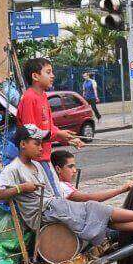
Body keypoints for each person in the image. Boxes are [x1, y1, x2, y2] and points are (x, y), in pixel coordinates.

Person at [0, 124, 133, 247]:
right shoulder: (13, 169)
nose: (41, 148)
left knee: (96, 216)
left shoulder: (37, 165)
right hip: (42, 213)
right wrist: (22, 188)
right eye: (37, 144)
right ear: (23, 144)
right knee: (92, 208)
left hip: (53, 206)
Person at [17, 57, 84, 196]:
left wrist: (68, 139)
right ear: (35, 76)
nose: (52, 75)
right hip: (37, 160)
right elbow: (30, 133)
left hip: (45, 157)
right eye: (48, 72)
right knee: (55, 198)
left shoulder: (43, 97)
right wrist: (58, 135)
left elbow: (50, 127)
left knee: (56, 196)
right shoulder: (29, 98)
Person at [51, 149, 133, 202]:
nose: (74, 170)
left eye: (74, 166)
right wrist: (121, 189)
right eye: (70, 167)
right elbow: (89, 198)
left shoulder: (60, 185)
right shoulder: (62, 186)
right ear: (58, 169)